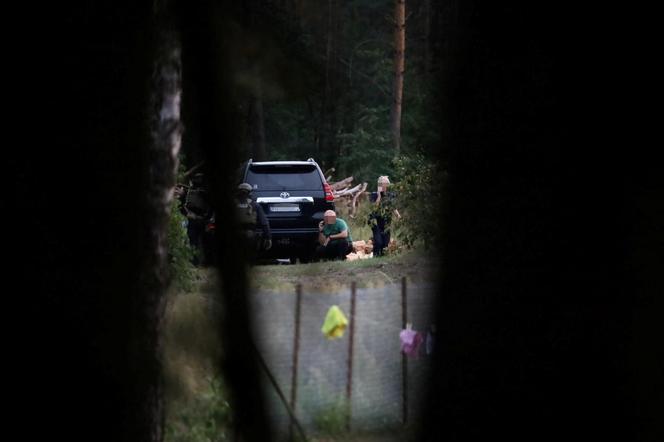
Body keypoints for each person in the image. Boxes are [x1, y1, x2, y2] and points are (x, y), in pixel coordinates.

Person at [183, 173, 213, 265]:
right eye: (196, 178)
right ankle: (195, 261)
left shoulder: (206, 192)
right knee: (193, 241)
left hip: (203, 219)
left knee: (205, 241)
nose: (197, 180)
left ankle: (206, 261)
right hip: (193, 218)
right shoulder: (189, 191)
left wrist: (207, 217)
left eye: (199, 178)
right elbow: (185, 204)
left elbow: (211, 206)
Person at [368, 175, 401, 256]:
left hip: (386, 222)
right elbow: (374, 208)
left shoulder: (391, 195)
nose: (384, 186)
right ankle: (375, 256)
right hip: (374, 221)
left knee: (385, 243)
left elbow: (393, 207)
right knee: (378, 242)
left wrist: (398, 216)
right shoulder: (374, 195)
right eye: (381, 184)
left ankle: (382, 257)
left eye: (385, 184)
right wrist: (379, 196)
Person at [235, 182, 272, 253]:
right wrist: (268, 238)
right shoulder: (255, 205)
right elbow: (264, 223)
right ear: (250, 193)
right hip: (250, 234)